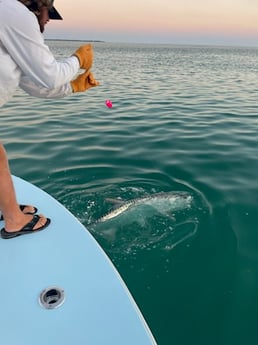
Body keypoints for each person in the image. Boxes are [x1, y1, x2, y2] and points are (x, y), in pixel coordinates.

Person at [0, 0, 99, 239]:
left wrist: (74, 87)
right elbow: (50, 76)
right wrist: (78, 60)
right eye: (48, 14)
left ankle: (9, 209)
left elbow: (35, 84)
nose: (47, 21)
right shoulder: (13, 10)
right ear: (37, 5)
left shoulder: (8, 23)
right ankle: (14, 220)